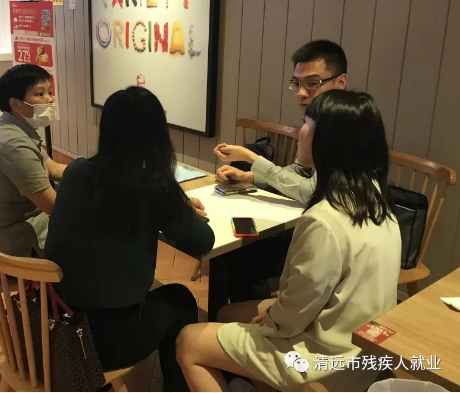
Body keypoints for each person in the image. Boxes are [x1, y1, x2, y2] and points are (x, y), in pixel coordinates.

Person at [176, 90, 401, 392]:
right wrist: (275, 314)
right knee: (226, 313)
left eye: (306, 124)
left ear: (328, 141)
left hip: (324, 357)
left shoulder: (324, 219)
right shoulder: (379, 201)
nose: (299, 132)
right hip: (363, 349)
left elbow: (294, 313)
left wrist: (271, 319)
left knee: (188, 341)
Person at [45, 86, 214, 392]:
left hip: (57, 324)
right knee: (181, 299)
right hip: (107, 343)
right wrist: (182, 207)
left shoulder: (77, 171)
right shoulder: (155, 187)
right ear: (158, 135)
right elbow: (202, 242)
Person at [213, 39, 348, 306]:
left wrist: (252, 159)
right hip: (306, 221)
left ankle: (251, 319)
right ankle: (240, 315)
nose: (301, 93)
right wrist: (251, 177)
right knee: (238, 238)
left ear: (340, 82)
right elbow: (300, 172)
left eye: (312, 83)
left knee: (242, 251)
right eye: (296, 83)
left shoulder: (346, 126)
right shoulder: (319, 119)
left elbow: (313, 191)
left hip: (329, 239)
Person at [0, 64, 66, 258]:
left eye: (50, 92)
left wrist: (96, 173)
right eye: (40, 94)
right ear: (15, 104)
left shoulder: (13, 127)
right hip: (13, 246)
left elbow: (53, 169)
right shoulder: (14, 145)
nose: (50, 99)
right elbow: (55, 207)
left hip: (11, 228)